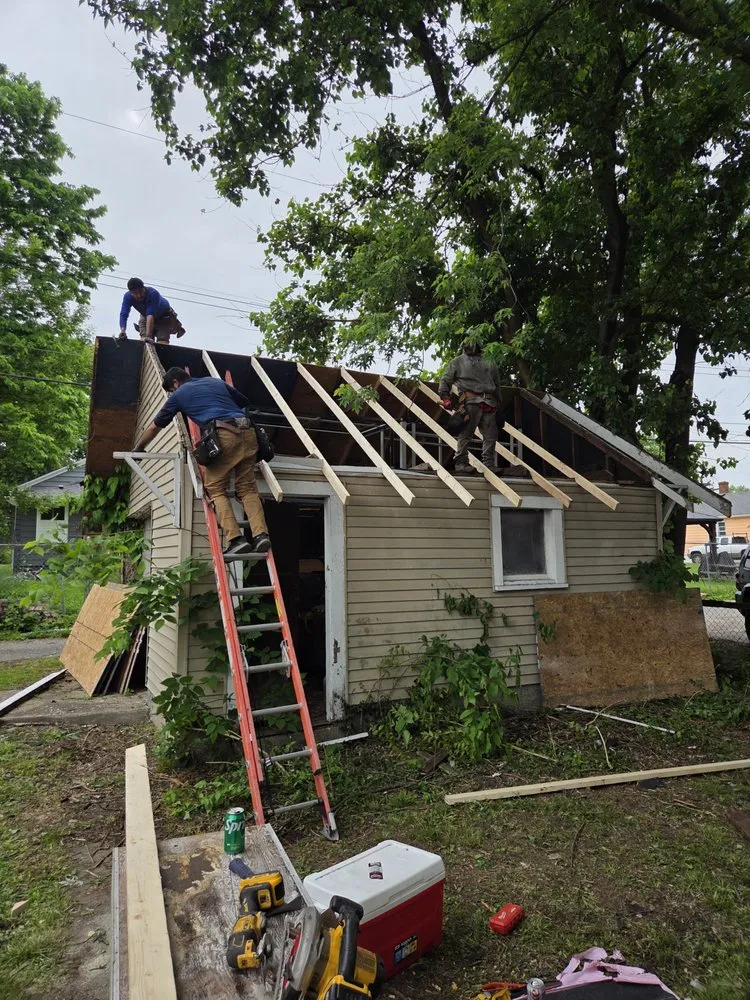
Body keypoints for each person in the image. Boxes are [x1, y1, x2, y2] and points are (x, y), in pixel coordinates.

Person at [135, 367, 270, 556]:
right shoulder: (215, 381)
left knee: (214, 488)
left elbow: (155, 426)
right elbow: (243, 402)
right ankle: (260, 535)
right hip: (249, 433)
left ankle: (236, 539)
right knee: (247, 488)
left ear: (175, 383)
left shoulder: (179, 394)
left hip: (224, 434)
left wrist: (139, 447)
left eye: (171, 390)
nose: (172, 394)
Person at [438, 339, 502, 474]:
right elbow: (445, 380)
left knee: (491, 435)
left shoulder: (489, 362)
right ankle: (461, 462)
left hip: (489, 402)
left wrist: (499, 403)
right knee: (466, 433)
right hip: (471, 401)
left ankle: (488, 464)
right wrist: (445, 397)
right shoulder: (457, 362)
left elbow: (496, 386)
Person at [118, 277, 185, 344]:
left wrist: (148, 336)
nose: (139, 295)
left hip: (163, 317)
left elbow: (150, 315)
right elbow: (124, 314)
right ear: (131, 292)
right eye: (135, 293)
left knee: (162, 342)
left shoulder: (152, 293)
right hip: (145, 316)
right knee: (143, 341)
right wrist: (123, 331)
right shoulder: (127, 297)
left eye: (140, 292)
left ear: (143, 288)